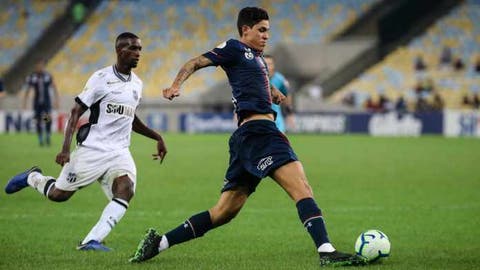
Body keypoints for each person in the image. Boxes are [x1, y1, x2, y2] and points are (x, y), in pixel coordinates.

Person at [129, 7, 366, 267]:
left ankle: (160, 243)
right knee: (302, 187)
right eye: (262, 30)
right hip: (260, 133)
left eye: (268, 31)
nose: (266, 36)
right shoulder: (233, 48)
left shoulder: (258, 58)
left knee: (223, 212)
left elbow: (258, 77)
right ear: (246, 30)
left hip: (246, 139)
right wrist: (176, 85)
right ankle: (326, 251)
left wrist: (273, 92)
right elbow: (195, 62)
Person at [5, 32, 167, 251]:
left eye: (140, 49)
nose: (138, 53)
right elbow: (75, 112)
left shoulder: (137, 84)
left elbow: (130, 119)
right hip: (93, 149)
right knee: (59, 195)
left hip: (119, 151)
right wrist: (65, 149)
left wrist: (157, 137)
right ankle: (33, 177)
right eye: (133, 48)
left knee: (125, 189)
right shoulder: (100, 79)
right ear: (120, 51)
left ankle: (91, 241)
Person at [22, 60, 60, 146]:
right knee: (38, 121)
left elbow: (54, 87)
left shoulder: (47, 76)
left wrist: (56, 100)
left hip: (46, 103)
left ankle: (47, 136)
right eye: (38, 66)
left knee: (47, 120)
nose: (40, 68)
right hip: (37, 104)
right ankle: (40, 139)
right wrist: (25, 102)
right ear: (36, 67)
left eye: (41, 66)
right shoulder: (32, 77)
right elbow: (27, 90)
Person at [264, 54, 293, 133]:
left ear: (274, 65)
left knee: (281, 143)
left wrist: (289, 113)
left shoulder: (280, 79)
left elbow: (287, 95)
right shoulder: (256, 79)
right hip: (260, 118)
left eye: (270, 64)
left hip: (277, 120)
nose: (268, 66)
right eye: (265, 64)